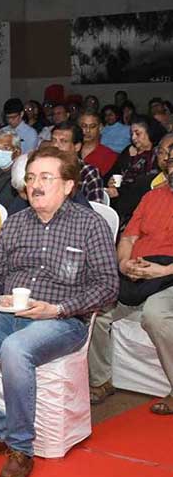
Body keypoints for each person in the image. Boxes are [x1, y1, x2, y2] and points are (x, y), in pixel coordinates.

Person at [0, 146, 118, 477]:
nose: (35, 185)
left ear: (68, 185)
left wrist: (58, 309)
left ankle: (21, 447)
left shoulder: (89, 225)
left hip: (61, 319)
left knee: (15, 349)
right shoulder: (16, 223)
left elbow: (109, 287)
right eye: (31, 178)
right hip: (8, 313)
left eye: (46, 178)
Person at [88, 154, 173, 413]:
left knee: (155, 316)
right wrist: (124, 263)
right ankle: (101, 381)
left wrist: (163, 270)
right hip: (136, 273)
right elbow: (128, 238)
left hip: (168, 275)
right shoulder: (151, 197)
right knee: (95, 310)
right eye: (171, 163)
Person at [107, 117, 158, 223]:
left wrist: (120, 192)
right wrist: (110, 181)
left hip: (139, 202)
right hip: (118, 196)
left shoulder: (156, 154)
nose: (134, 137)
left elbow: (146, 183)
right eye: (131, 134)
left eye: (137, 133)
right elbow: (112, 172)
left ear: (149, 133)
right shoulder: (128, 151)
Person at [78, 109, 118, 177]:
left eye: (92, 126)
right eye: (84, 126)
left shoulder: (109, 155)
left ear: (100, 128)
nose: (87, 130)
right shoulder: (70, 151)